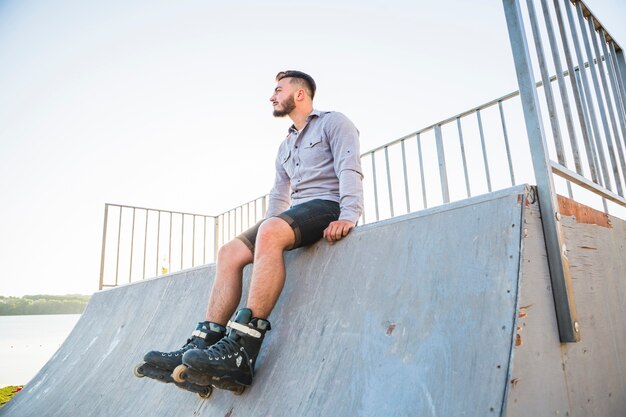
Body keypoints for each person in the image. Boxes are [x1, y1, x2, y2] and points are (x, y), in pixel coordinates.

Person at [140, 70, 364, 388]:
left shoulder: (334, 122)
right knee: (229, 252)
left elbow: (349, 165)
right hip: (296, 214)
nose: (272, 96)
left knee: (271, 229)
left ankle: (241, 351)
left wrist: (350, 214)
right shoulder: (285, 146)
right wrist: (267, 233)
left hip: (328, 207)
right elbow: (278, 196)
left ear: (300, 94)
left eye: (278, 90)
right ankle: (203, 345)